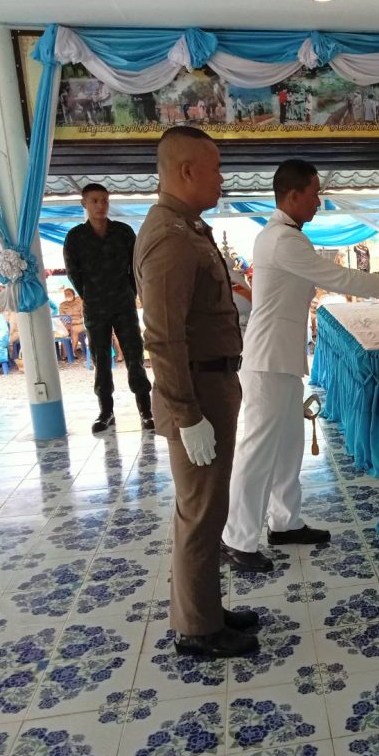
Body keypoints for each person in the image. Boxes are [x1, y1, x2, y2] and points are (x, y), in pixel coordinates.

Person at [219, 159, 379, 573]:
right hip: (266, 362)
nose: (318, 202)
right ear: (293, 195)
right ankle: (236, 539)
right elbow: (339, 279)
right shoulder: (283, 240)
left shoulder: (283, 236)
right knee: (258, 451)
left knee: (287, 446)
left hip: (280, 359)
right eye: (314, 194)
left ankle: (284, 523)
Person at [134, 126, 259, 660]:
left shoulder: (187, 228)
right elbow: (163, 338)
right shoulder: (170, 237)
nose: (221, 178)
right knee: (201, 511)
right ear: (186, 171)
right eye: (215, 168)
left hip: (210, 384)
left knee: (208, 507)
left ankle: (205, 609)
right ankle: (197, 630)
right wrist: (187, 415)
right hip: (197, 392)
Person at [63, 183, 153, 433]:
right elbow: (73, 273)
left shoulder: (123, 232)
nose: (100, 205)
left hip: (124, 304)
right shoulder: (76, 237)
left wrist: (131, 292)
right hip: (95, 307)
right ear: (84, 204)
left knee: (135, 357)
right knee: (100, 359)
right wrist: (90, 295)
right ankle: (106, 412)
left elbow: (136, 266)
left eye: (104, 200)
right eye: (94, 201)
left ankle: (146, 411)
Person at [58, 287, 87, 356]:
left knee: (74, 329)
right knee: (63, 332)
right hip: (68, 324)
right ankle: (65, 355)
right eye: (65, 294)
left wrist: (74, 322)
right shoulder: (62, 305)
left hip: (80, 323)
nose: (67, 295)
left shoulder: (80, 302)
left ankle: (71, 353)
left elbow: (84, 316)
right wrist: (66, 325)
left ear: (73, 294)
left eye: (69, 294)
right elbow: (62, 318)